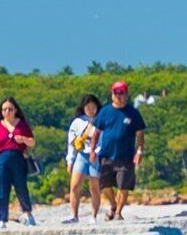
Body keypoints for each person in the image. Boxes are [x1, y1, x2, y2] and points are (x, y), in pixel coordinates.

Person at [97, 79, 148, 221]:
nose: (118, 96)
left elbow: (140, 134)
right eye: (116, 93)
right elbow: (96, 132)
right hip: (106, 155)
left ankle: (118, 212)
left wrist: (139, 152)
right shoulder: (105, 111)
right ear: (112, 94)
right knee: (104, 185)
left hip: (126, 156)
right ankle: (113, 205)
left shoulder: (133, 113)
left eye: (121, 93)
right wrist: (93, 151)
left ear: (127, 95)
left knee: (123, 186)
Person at [0, 98, 36, 224]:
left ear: (15, 110)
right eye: (4, 109)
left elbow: (32, 142)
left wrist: (23, 139)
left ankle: (28, 214)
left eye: (10, 109)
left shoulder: (22, 125)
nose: (7, 112)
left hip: (18, 158)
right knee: (1, 189)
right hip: (2, 160)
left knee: (21, 187)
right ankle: (2, 219)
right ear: (1, 112)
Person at [63, 97, 102, 220]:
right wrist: (70, 160)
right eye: (88, 107)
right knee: (74, 185)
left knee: (94, 186)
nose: (91, 110)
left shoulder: (101, 121)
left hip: (96, 155)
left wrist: (97, 153)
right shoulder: (77, 122)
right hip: (81, 155)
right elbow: (71, 143)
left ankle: (94, 216)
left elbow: (104, 140)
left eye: (93, 107)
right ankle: (74, 215)